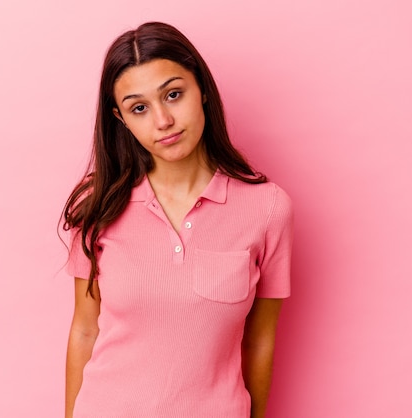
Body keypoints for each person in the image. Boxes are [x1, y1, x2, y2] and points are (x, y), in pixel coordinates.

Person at [61, 21, 293, 418]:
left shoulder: (268, 208)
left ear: (201, 89)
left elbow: (259, 341)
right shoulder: (99, 204)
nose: (163, 120)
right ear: (121, 119)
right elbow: (85, 329)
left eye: (173, 94)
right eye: (139, 108)